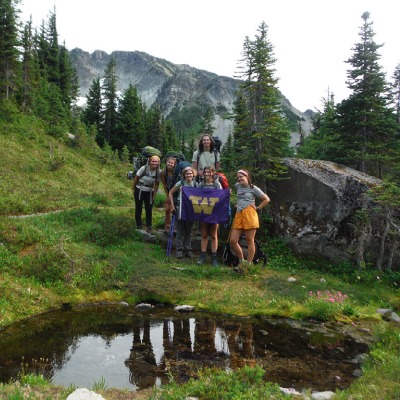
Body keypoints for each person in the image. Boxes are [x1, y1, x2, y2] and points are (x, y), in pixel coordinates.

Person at [230, 169, 270, 266]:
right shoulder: (237, 186)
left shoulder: (253, 188)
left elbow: (266, 199)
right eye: (238, 177)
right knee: (233, 241)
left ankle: (248, 264)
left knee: (249, 240)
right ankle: (241, 261)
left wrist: (257, 207)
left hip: (250, 214)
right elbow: (240, 197)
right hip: (239, 214)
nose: (239, 179)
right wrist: (237, 203)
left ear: (247, 177)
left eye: (241, 176)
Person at [169, 166, 198, 259]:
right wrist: (172, 206)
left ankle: (188, 250)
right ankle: (179, 251)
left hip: (191, 210)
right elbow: (170, 193)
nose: (189, 175)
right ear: (184, 175)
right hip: (180, 209)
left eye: (190, 173)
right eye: (187, 173)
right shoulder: (180, 183)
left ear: (193, 174)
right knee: (180, 230)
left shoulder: (196, 184)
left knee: (188, 231)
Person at [197, 166, 222, 266]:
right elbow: (195, 195)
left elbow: (221, 195)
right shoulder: (201, 184)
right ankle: (202, 255)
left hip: (214, 212)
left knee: (213, 235)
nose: (207, 174)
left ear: (212, 173)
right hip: (203, 211)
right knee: (204, 234)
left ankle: (214, 257)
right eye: (205, 172)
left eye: (208, 172)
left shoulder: (217, 184)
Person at [132, 155, 161, 233]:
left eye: (156, 161)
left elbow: (157, 184)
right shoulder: (144, 168)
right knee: (138, 207)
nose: (154, 163)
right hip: (140, 189)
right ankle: (138, 225)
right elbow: (136, 178)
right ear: (150, 162)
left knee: (149, 209)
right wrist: (133, 188)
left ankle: (149, 226)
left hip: (149, 191)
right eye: (153, 161)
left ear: (158, 163)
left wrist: (154, 194)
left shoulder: (158, 172)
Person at [160, 156, 178, 234]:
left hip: (176, 192)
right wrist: (168, 195)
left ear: (174, 164)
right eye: (168, 162)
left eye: (172, 163)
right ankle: (167, 226)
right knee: (167, 209)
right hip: (169, 191)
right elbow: (164, 184)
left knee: (174, 209)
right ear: (166, 163)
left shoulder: (176, 172)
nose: (170, 164)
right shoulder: (163, 172)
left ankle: (175, 227)